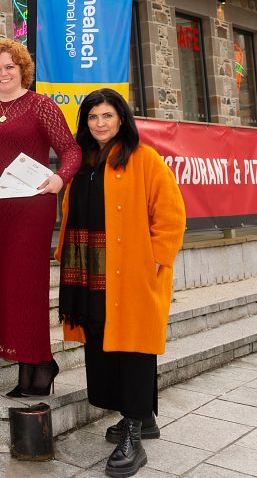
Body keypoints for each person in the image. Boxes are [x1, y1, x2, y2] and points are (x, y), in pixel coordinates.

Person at [57, 88, 185, 478]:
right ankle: (142, 418)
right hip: (90, 272)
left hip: (131, 272)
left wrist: (156, 260)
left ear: (121, 119)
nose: (100, 123)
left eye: (107, 116)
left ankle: (133, 432)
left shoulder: (144, 158)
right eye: (93, 117)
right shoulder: (84, 162)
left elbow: (171, 214)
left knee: (133, 347)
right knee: (101, 339)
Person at [0, 39, 82, 397]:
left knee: (25, 287)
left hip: (31, 208)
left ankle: (34, 364)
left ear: (22, 70)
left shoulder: (41, 105)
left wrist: (60, 178)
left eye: (10, 67)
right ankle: (38, 362)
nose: (3, 73)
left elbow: (71, 150)